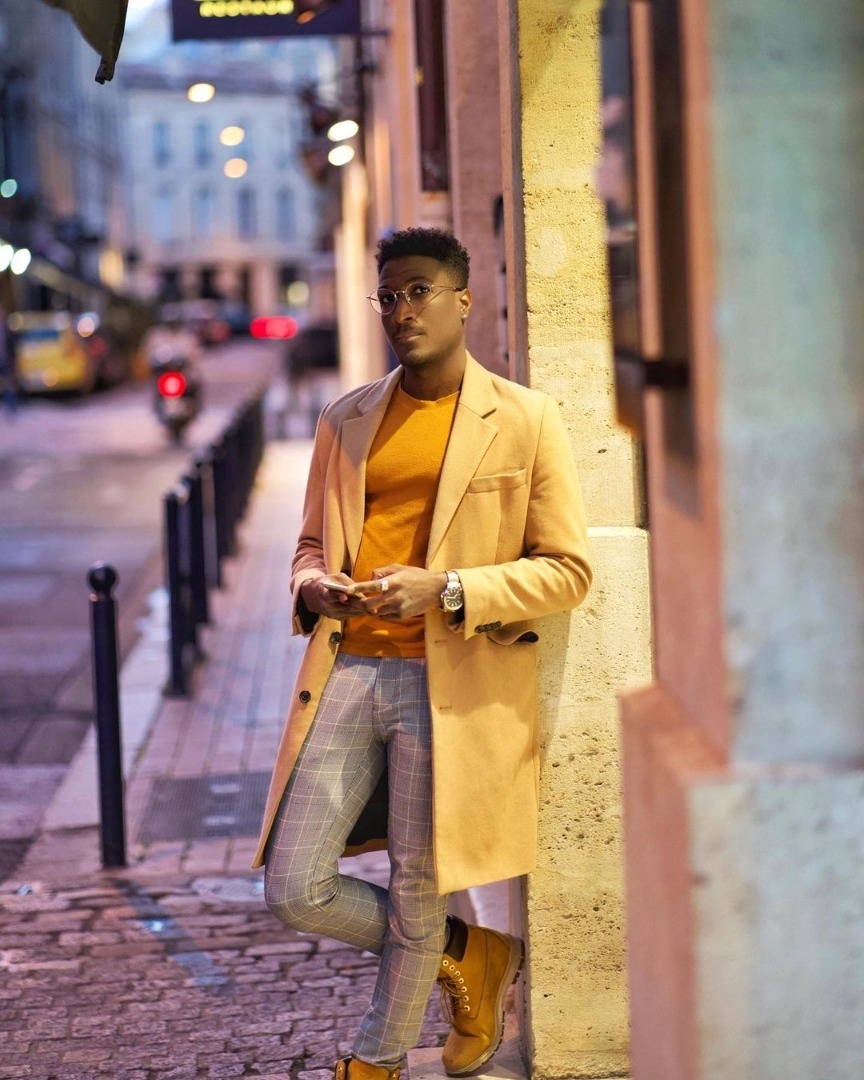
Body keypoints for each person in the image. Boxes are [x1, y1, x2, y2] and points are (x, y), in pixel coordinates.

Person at [253, 227, 592, 1080]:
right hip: (347, 669)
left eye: (419, 292)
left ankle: (376, 1061)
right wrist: (314, 586)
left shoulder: (525, 419)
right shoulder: (346, 418)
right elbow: (307, 545)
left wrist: (447, 589)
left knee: (415, 884)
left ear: (463, 300)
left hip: (451, 683)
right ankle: (471, 950)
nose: (402, 310)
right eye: (389, 296)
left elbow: (567, 571)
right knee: (294, 886)